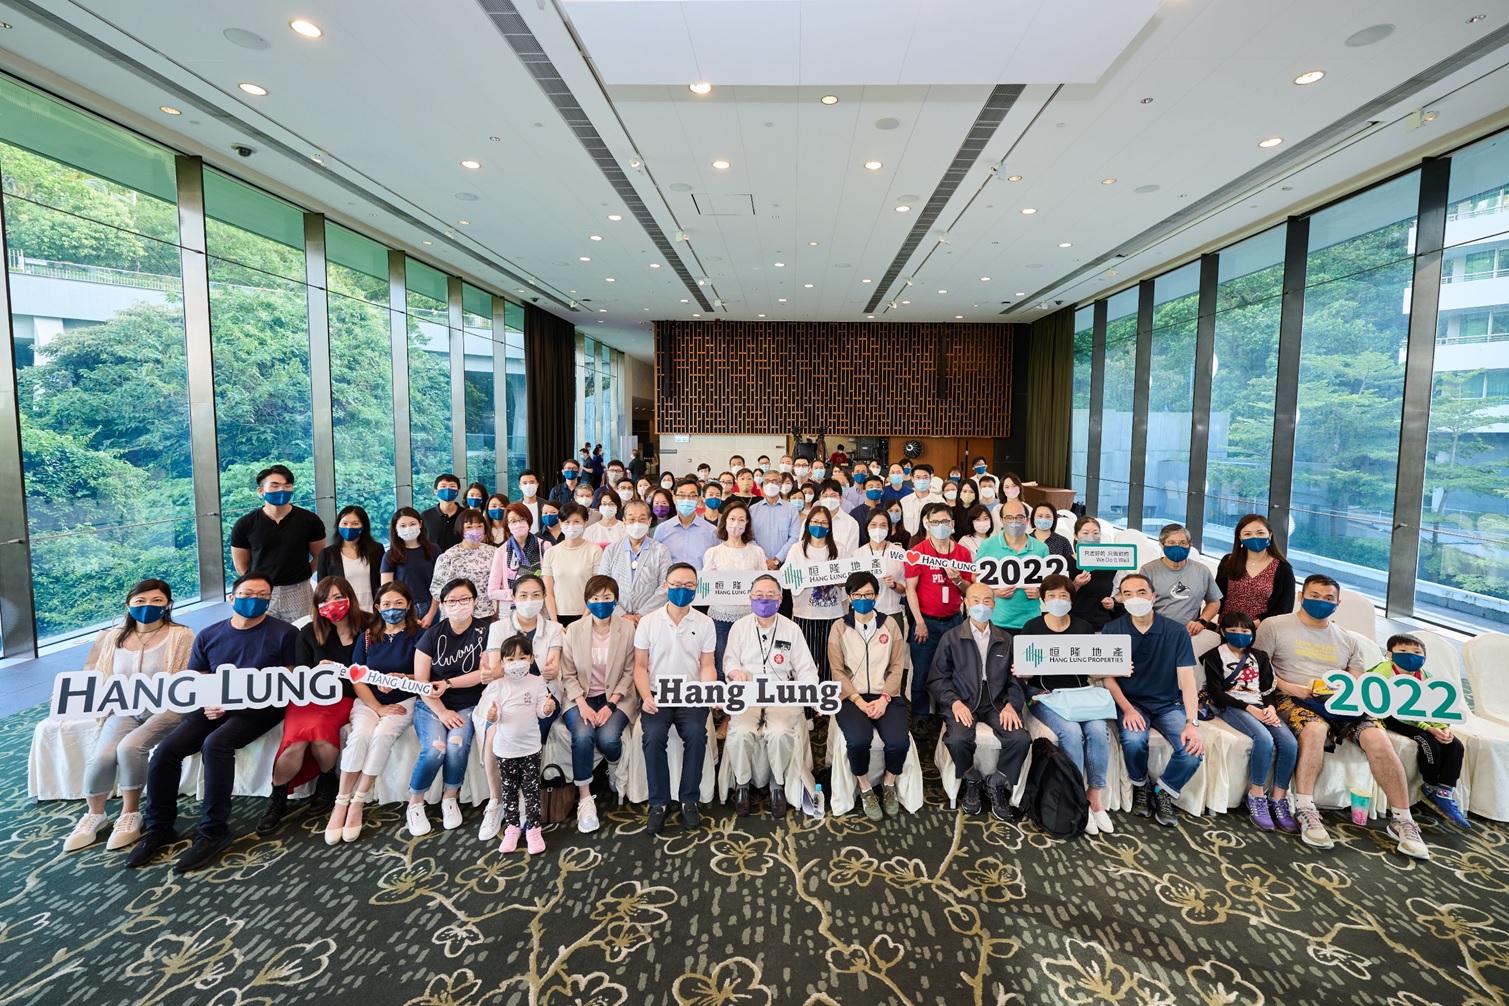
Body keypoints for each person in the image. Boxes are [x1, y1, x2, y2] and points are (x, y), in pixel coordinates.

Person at [129, 571, 299, 872]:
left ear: (270, 601)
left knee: (216, 744)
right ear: (232, 599)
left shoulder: (284, 633)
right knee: (166, 751)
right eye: (247, 595)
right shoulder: (209, 634)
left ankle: (214, 830)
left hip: (259, 708)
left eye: (262, 596)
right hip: (214, 707)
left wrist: (236, 702)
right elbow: (200, 679)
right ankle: (159, 827)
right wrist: (210, 702)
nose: (254, 601)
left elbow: (287, 682)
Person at [1256, 575, 1429, 859]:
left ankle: (1403, 819)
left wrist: (1343, 691)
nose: (1320, 602)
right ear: (1301, 596)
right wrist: (1290, 687)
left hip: (1342, 703)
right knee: (1314, 731)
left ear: (1337, 604)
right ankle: (1306, 808)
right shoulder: (1275, 626)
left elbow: (1357, 677)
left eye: (1328, 599)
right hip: (1293, 697)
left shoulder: (1347, 638)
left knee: (1378, 737)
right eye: (1314, 596)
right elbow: (1261, 666)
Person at [63, 579, 194, 853]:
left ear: (168, 604)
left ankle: (130, 812)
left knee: (131, 746)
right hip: (124, 709)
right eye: (141, 601)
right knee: (102, 755)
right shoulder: (115, 637)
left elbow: (188, 678)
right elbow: (100, 676)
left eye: (157, 601)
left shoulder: (181, 635)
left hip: (167, 710)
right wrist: (72, 695)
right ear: (129, 604)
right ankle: (94, 814)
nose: (148, 606)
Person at [259, 576, 362, 835]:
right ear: (317, 605)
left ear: (350, 597)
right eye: (325, 600)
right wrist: (318, 671)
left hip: (346, 695)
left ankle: (327, 780)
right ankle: (278, 796)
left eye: (339, 597)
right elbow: (301, 675)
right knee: (295, 741)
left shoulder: (368, 626)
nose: (333, 604)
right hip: (309, 696)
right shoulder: (307, 632)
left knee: (321, 735)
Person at [1101, 573, 1205, 827]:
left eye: (1141, 592)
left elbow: (1187, 680)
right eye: (1127, 594)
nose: (1135, 598)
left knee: (1192, 752)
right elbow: (1107, 677)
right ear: (1121, 599)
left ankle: (1164, 792)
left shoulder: (1176, 631)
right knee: (1134, 740)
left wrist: (1192, 722)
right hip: (1131, 702)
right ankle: (1140, 785)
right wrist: (1127, 709)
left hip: (1168, 704)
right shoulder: (1112, 630)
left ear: (1153, 596)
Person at [325, 580, 422, 844]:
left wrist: (403, 677)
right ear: (377, 607)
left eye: (399, 603)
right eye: (387, 604)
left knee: (383, 735)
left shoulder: (421, 634)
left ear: (409, 605)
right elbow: (357, 677)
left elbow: (427, 675)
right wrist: (377, 707)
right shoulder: (367, 636)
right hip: (369, 701)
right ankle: (340, 802)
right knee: (360, 737)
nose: (393, 609)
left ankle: (358, 801)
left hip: (406, 699)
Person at [1019, 574, 1113, 834]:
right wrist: (1023, 672)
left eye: (1063, 596)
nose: (1057, 600)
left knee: (1097, 730)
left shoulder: (1083, 627)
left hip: (1080, 694)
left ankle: (1094, 796)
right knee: (1070, 732)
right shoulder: (1032, 627)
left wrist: (1114, 668)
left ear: (1072, 599)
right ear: (1043, 600)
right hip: (1044, 694)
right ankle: (1075, 793)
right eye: (1051, 596)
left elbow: (1092, 671)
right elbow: (1026, 670)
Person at [929, 584, 1030, 820]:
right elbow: (937, 678)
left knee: (1020, 738)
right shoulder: (951, 638)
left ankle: (997, 782)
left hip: (996, 702)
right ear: (965, 603)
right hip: (963, 700)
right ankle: (971, 777)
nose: (981, 606)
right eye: (975, 600)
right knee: (956, 738)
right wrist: (953, 702)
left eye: (987, 601)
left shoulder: (1006, 639)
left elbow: (1016, 678)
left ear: (994, 605)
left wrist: (1010, 705)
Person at [723, 575, 818, 816]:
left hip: (781, 694)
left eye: (770, 596)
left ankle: (778, 783)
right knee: (740, 731)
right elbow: (729, 660)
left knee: (779, 733)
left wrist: (813, 693)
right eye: (759, 596)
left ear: (780, 599)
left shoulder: (791, 629)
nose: (764, 601)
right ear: (750, 598)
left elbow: (806, 668)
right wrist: (735, 672)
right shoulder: (739, 627)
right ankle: (742, 784)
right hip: (748, 694)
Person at [634, 563, 717, 835]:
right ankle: (658, 803)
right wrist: (645, 696)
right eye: (677, 585)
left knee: (696, 732)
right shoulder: (648, 622)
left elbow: (707, 665)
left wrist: (710, 692)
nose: (682, 590)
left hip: (691, 694)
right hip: (657, 694)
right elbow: (640, 666)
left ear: (697, 589)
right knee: (653, 736)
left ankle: (688, 799)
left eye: (689, 586)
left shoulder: (705, 623)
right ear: (665, 586)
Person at [1201, 610, 1298, 833]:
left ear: (1253, 633)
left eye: (1245, 631)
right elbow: (1216, 693)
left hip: (1261, 705)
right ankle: (1256, 796)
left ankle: (1278, 798)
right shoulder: (1213, 656)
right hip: (1233, 707)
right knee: (1263, 738)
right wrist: (1249, 709)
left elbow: (1268, 689)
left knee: (1290, 743)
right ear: (1223, 632)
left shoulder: (1260, 657)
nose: (1239, 635)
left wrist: (1271, 708)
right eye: (1233, 631)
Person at [406, 578, 489, 837]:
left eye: (464, 599)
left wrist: (448, 683)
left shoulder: (487, 632)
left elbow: (484, 674)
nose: (458, 605)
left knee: (455, 746)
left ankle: (449, 797)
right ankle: (415, 803)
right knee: (434, 750)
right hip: (431, 704)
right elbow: (421, 681)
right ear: (442, 604)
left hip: (468, 703)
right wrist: (441, 711)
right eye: (451, 601)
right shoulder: (431, 635)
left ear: (475, 601)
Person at [828, 571, 910, 820]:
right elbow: (837, 670)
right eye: (857, 594)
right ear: (849, 597)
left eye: (868, 594)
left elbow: (897, 666)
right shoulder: (839, 627)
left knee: (898, 742)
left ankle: (888, 784)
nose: (863, 598)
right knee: (858, 741)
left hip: (886, 696)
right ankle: (864, 787)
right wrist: (859, 701)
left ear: (876, 595)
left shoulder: (890, 624)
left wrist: (885, 698)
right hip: (852, 698)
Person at [560, 575, 638, 833]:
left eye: (607, 598)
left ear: (616, 600)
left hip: (616, 696)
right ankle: (585, 798)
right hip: (580, 697)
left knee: (608, 739)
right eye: (595, 598)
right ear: (587, 601)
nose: (601, 603)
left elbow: (629, 672)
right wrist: (581, 704)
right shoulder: (573, 630)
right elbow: (568, 674)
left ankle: (614, 766)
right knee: (582, 735)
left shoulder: (627, 629)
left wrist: (611, 705)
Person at [1371, 634, 1470, 828]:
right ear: (1390, 654)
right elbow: (1390, 707)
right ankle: (1430, 785)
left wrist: (1442, 728)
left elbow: (1437, 707)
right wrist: (1428, 728)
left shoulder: (1425, 677)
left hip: (1423, 721)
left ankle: (1445, 791)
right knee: (1428, 743)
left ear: (1424, 658)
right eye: (1403, 651)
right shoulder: (1383, 672)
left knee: (1455, 744)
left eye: (1417, 652)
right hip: (1394, 718)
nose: (1411, 656)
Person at [481, 634, 556, 855]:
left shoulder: (537, 682)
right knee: (509, 790)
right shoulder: (498, 686)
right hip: (505, 749)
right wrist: (493, 715)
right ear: (502, 662)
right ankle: (512, 828)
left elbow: (541, 712)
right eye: (511, 659)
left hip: (530, 748)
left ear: (532, 659)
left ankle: (533, 829)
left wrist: (548, 708)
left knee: (532, 790)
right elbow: (493, 717)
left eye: (522, 657)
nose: (516, 663)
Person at [905, 502, 973, 726]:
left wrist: (957, 579)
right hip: (926, 622)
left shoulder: (963, 553)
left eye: (945, 522)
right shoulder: (917, 553)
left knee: (953, 671)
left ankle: (950, 713)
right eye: (935, 522)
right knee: (922, 672)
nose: (940, 526)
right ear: (927, 524)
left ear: (952, 524)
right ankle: (920, 716)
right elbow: (910, 589)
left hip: (954, 620)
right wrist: (919, 622)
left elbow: (968, 590)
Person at [229, 465, 326, 621]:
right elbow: (241, 565)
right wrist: (258, 586)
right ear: (260, 491)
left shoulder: (309, 520)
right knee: (262, 635)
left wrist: (304, 573)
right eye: (275, 485)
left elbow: (319, 555)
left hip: (299, 589)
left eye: (287, 486)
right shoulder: (245, 524)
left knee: (302, 635)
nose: (282, 490)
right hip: (261, 592)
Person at [1117, 523, 1221, 652]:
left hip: (1189, 633)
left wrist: (1202, 621)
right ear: (1161, 545)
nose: (1177, 546)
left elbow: (1214, 601)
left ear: (1190, 546)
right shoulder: (1148, 570)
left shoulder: (1202, 571)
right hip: (1155, 632)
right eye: (1171, 543)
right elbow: (1138, 602)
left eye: (1182, 543)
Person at [700, 500, 769, 673]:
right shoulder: (713, 552)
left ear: (747, 523)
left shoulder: (757, 552)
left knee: (749, 664)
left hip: (750, 617)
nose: (736, 524)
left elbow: (765, 582)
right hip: (721, 617)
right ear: (725, 522)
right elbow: (705, 587)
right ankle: (722, 699)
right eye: (732, 519)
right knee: (722, 664)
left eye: (741, 520)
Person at [790, 504, 850, 680]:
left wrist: (841, 581)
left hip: (833, 615)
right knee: (805, 663)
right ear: (808, 524)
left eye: (824, 523)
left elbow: (847, 581)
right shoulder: (797, 549)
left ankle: (826, 705)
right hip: (805, 614)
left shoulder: (840, 549)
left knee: (830, 663)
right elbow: (790, 580)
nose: (819, 526)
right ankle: (807, 707)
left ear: (830, 526)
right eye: (815, 521)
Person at [975, 499, 1049, 633]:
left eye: (1019, 517)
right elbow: (975, 578)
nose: (1014, 522)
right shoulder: (988, 545)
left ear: (1027, 520)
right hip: (997, 620)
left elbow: (1049, 582)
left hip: (1031, 620)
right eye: (1009, 517)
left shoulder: (1041, 548)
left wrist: (1040, 592)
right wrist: (994, 592)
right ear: (1002, 520)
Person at [599, 499, 673, 625]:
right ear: (624, 521)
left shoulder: (661, 551)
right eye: (631, 519)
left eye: (642, 519)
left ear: (649, 521)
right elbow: (602, 585)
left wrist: (642, 614)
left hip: (651, 619)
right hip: (616, 619)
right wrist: (621, 613)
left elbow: (665, 586)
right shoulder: (611, 550)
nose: (636, 524)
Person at [1216, 514, 1296, 626]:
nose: (1254, 537)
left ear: (1270, 535)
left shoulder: (1283, 569)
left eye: (1260, 533)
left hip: (1263, 629)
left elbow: (1284, 608)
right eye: (1247, 534)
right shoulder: (1228, 561)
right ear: (1240, 538)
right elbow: (1216, 596)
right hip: (1228, 628)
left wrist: (1250, 626)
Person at [430, 509, 500, 620]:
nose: (475, 530)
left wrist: (498, 610)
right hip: (456, 616)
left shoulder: (494, 552)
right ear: (461, 529)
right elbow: (437, 589)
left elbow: (499, 583)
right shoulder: (448, 557)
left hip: (485, 613)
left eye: (479, 526)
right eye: (469, 527)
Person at [316, 504, 382, 612]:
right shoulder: (327, 554)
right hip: (343, 611)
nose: (349, 527)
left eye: (355, 523)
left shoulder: (377, 550)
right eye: (344, 523)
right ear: (338, 525)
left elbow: (381, 582)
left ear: (363, 526)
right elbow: (322, 589)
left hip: (373, 609)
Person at [543, 503, 599, 626]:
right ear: (560, 522)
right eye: (567, 522)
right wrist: (554, 622)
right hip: (557, 616)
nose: (571, 526)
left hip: (586, 615)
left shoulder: (594, 550)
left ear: (585, 522)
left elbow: (596, 589)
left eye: (576, 522)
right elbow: (548, 591)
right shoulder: (551, 553)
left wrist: (583, 619)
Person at [488, 502, 551, 612]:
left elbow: (550, 585)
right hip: (510, 609)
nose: (518, 524)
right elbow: (492, 591)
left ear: (528, 521)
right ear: (507, 525)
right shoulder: (501, 551)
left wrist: (534, 595)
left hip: (538, 607)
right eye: (513, 521)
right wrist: (519, 594)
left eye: (522, 519)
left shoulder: (545, 547)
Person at [382, 508, 440, 627]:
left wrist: (431, 613)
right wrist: (406, 614)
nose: (408, 528)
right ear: (396, 529)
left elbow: (440, 583)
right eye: (403, 525)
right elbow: (387, 589)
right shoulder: (390, 555)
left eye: (412, 524)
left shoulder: (434, 550)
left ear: (420, 524)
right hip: (403, 608)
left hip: (431, 606)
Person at [655, 478, 720, 570]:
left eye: (692, 496)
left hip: (700, 583)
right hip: (670, 583)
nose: (686, 500)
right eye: (681, 495)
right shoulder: (662, 529)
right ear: (674, 499)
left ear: (698, 500)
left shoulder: (711, 531)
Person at [1068, 517, 1118, 631]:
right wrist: (1075, 584)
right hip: (1074, 623)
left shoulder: (1111, 563)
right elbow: (1060, 596)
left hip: (1103, 624)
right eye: (1085, 533)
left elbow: (1123, 588)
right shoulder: (1066, 563)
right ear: (1076, 535)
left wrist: (1113, 601)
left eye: (1096, 533)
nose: (1091, 537)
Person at [751, 472, 801, 571]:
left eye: (775, 482)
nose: (771, 484)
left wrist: (777, 560)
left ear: (780, 485)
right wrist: (764, 560)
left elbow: (794, 537)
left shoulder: (791, 509)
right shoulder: (753, 510)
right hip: (759, 565)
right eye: (767, 482)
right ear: (763, 485)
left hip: (785, 564)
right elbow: (750, 538)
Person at [421, 473, 465, 553]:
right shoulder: (426, 516)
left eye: (452, 486)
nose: (447, 489)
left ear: (458, 491)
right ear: (435, 491)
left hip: (461, 561)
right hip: (434, 562)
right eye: (443, 486)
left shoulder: (466, 515)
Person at [816, 479, 860, 554]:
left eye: (833, 495)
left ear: (840, 498)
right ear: (820, 498)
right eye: (825, 496)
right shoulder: (811, 521)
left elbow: (851, 553)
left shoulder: (851, 523)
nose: (829, 499)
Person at [900, 464, 939, 536]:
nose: (921, 481)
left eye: (925, 477)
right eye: (918, 477)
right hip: (908, 542)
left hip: (931, 542)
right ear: (912, 479)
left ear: (930, 479)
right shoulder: (904, 502)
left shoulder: (939, 501)